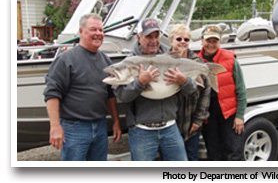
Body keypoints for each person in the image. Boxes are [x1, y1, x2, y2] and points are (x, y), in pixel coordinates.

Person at [114, 18, 197, 161]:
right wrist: (140, 83)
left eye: (156, 36)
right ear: (138, 38)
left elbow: (191, 90)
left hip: (170, 128)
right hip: (141, 132)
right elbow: (122, 96)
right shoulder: (128, 63)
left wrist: (185, 81)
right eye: (148, 36)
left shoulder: (172, 58)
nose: (153, 40)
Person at [43, 13, 122, 161]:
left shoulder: (106, 60)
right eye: (93, 29)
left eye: (101, 30)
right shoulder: (66, 59)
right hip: (74, 128)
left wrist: (116, 121)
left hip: (100, 125)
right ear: (81, 31)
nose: (98, 34)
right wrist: (55, 127)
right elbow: (52, 94)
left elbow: (109, 94)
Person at [198, 25, 247, 161]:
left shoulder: (230, 59)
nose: (211, 45)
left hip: (228, 113)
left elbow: (241, 90)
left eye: (215, 41)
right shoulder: (195, 61)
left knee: (233, 152)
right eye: (208, 41)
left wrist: (239, 116)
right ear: (202, 41)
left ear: (219, 42)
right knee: (214, 153)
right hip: (208, 114)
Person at [168, 24, 210, 161]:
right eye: (178, 39)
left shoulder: (198, 62)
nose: (182, 42)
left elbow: (206, 93)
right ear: (171, 41)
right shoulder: (163, 60)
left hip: (192, 123)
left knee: (192, 158)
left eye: (186, 40)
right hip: (170, 124)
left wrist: (198, 120)